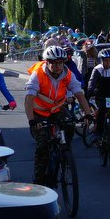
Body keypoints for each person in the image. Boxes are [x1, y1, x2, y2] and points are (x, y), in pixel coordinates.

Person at [26, 45, 95, 185]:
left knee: (69, 127)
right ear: (46, 62)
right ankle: (38, 181)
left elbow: (79, 94)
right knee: (42, 146)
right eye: (53, 62)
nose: (57, 66)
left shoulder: (67, 74)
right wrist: (32, 121)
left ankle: (63, 153)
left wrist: (88, 114)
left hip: (57, 109)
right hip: (40, 112)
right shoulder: (38, 74)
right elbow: (29, 99)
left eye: (60, 62)